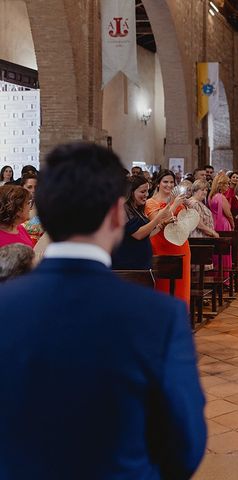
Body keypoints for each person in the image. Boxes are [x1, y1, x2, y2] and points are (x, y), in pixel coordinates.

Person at [0, 142, 206, 479]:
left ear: (45, 213)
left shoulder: (6, 305)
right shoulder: (158, 316)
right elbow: (185, 444)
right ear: (115, 214)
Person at [145, 169, 191, 304]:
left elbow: (186, 222)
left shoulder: (178, 200)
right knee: (162, 284)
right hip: (160, 245)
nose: (169, 185)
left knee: (181, 285)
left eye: (172, 182)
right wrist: (174, 204)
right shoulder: (150, 203)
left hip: (180, 245)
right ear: (158, 184)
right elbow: (157, 221)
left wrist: (188, 208)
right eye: (165, 182)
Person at [112, 175, 173, 269]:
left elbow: (146, 234)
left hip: (140, 263)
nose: (147, 195)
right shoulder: (124, 208)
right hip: (128, 263)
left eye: (147, 191)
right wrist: (159, 216)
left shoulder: (136, 208)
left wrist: (163, 224)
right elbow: (138, 234)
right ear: (131, 193)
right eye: (143, 191)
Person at [208, 174, 234, 271]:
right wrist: (232, 224)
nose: (228, 186)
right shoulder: (221, 197)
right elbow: (228, 214)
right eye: (227, 183)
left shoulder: (211, 196)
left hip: (214, 222)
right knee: (224, 249)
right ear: (221, 185)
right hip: (223, 223)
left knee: (216, 249)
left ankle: (216, 272)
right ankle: (224, 273)